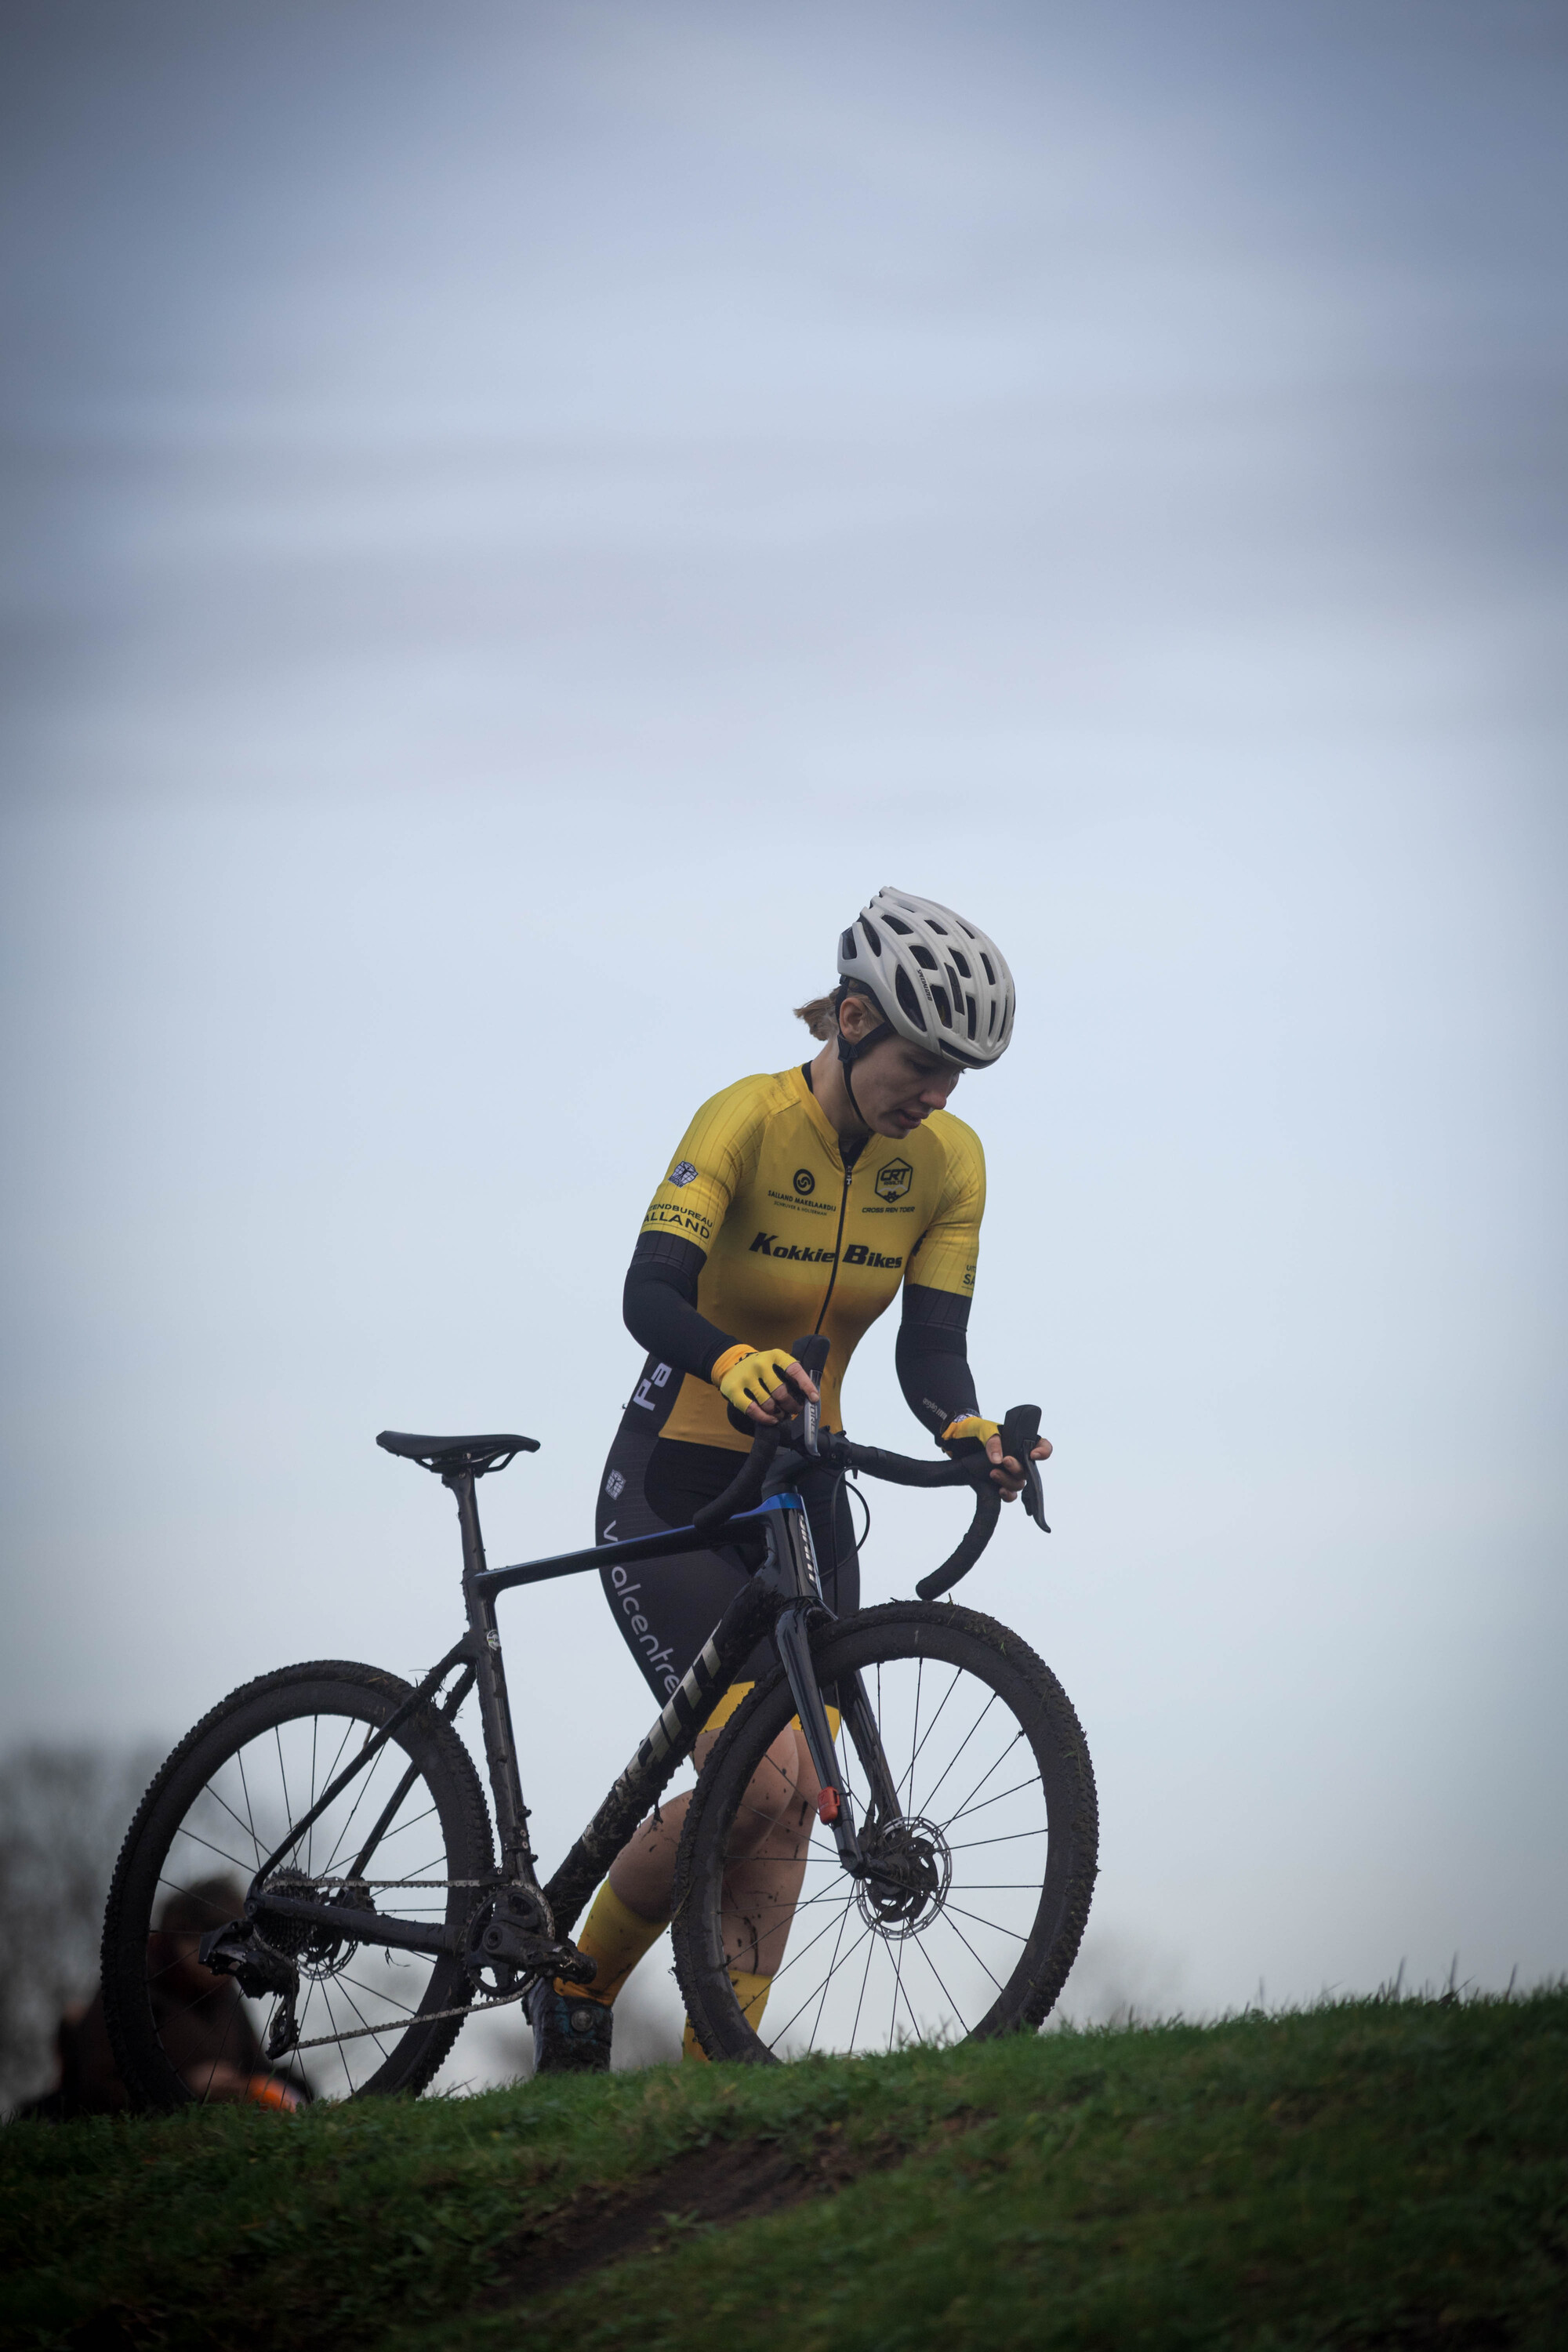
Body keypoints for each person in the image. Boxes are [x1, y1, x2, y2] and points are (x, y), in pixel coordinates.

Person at [529, 887, 1051, 2074]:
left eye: (959, 1077)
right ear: (854, 1020)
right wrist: (732, 1355)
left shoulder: (951, 1164)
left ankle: (719, 2092)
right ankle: (577, 1975)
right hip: (680, 1479)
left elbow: (930, 1352)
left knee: (805, 1794)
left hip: (804, 1486)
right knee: (755, 1779)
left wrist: (971, 1431)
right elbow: (645, 1296)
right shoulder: (743, 1122)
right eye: (924, 1064)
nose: (938, 1098)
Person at [19, 1878, 303, 2115]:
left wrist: (293, 2089)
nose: (228, 1964)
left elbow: (258, 2067)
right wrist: (187, 2087)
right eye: (217, 1948)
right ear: (180, 1938)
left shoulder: (226, 1996)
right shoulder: (133, 1990)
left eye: (236, 1950)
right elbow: (96, 2085)